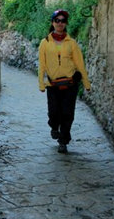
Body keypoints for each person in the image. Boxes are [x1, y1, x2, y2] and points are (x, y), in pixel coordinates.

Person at [38, 9, 91, 153]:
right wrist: (41, 83)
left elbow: (80, 64)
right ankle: (54, 127)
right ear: (52, 23)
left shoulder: (72, 43)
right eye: (57, 20)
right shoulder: (45, 43)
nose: (60, 23)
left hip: (70, 84)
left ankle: (63, 141)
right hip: (53, 85)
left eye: (62, 21)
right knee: (54, 113)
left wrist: (86, 83)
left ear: (66, 23)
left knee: (68, 113)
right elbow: (42, 65)